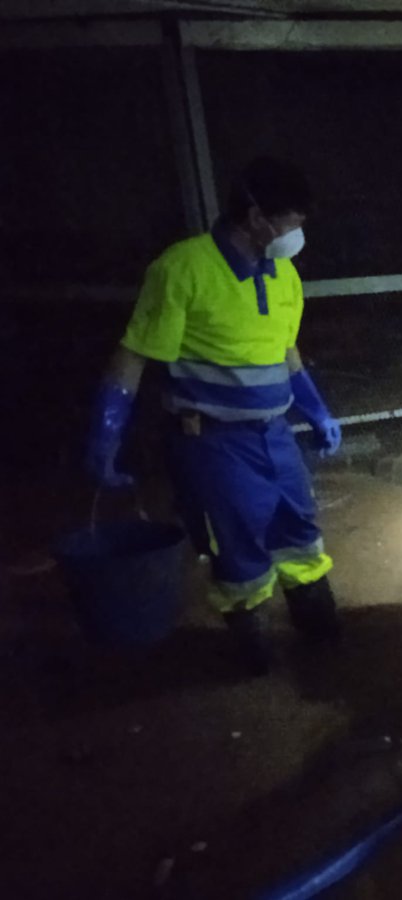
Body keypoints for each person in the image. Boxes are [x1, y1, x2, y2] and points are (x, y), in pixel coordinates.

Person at [85, 157, 343, 676]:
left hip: (274, 433)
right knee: (236, 542)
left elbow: (286, 352)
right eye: (290, 222)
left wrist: (316, 409)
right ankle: (253, 642)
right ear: (254, 217)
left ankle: (315, 617)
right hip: (212, 442)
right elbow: (135, 354)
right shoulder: (182, 269)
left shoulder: (283, 271)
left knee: (298, 527)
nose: (297, 235)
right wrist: (105, 433)